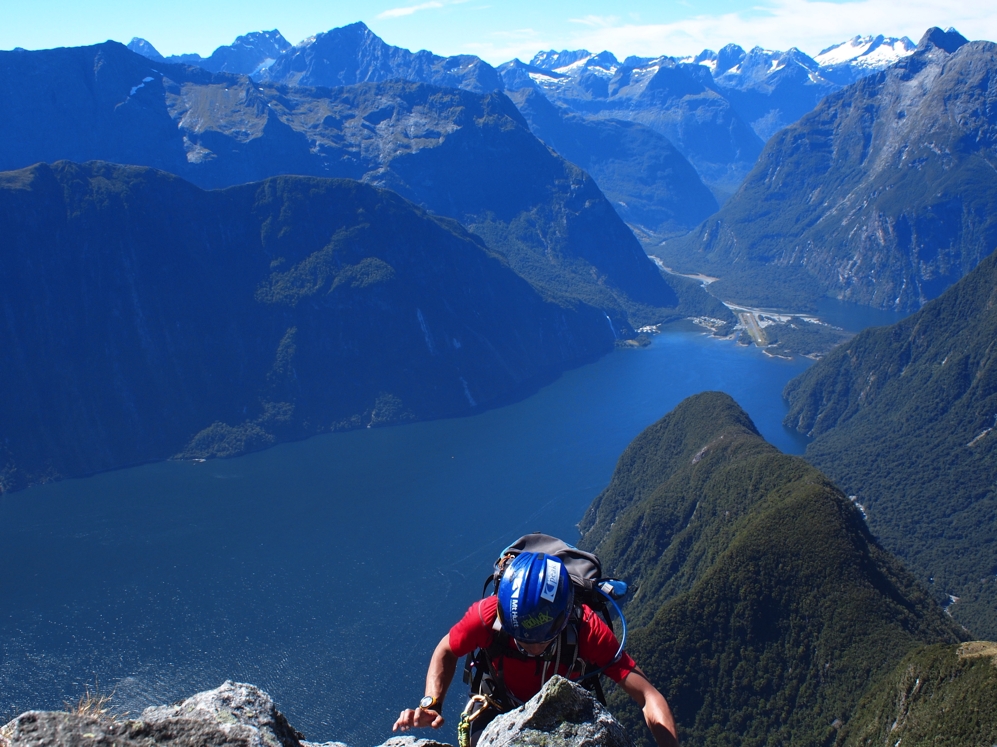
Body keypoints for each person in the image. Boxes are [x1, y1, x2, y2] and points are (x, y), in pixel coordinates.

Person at [393, 551, 679, 747]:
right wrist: (431, 703)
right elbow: (446, 648)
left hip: (556, 713)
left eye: (537, 638)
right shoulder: (487, 616)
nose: (525, 645)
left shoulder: (587, 630)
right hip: (497, 708)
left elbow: (648, 697)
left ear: (564, 618)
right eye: (517, 634)